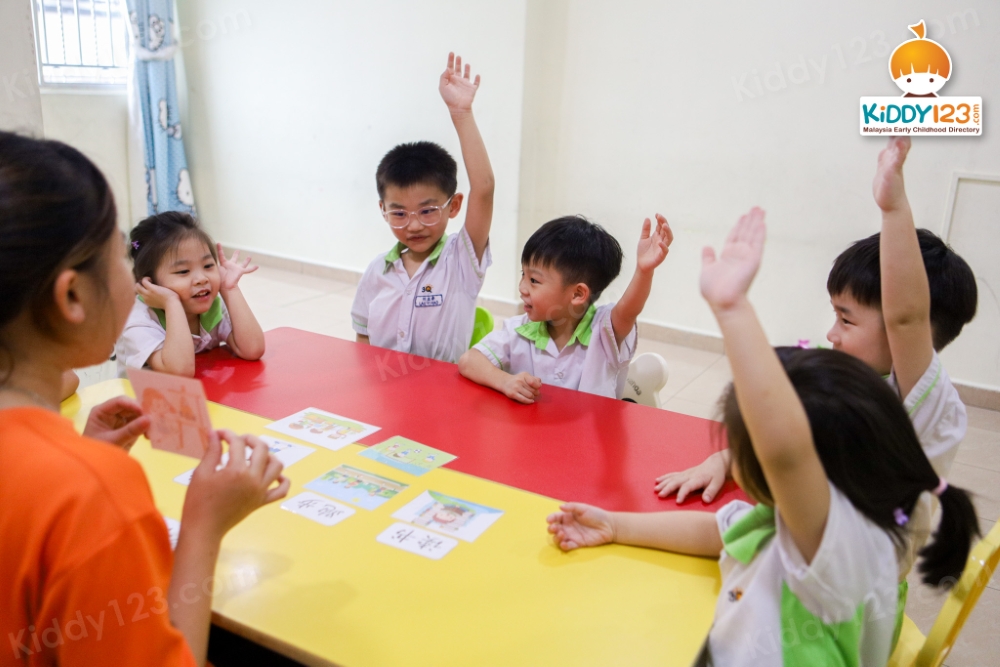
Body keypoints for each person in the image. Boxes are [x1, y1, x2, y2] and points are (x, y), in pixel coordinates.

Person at [548, 208, 980, 666]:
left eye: (846, 320)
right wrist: (615, 525)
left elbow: (906, 321)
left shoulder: (834, 549)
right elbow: (719, 526)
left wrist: (892, 205)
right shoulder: (792, 516)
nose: (831, 334)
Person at [0, 131, 288, 666]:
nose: (133, 287)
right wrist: (205, 522)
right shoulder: (91, 494)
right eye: (116, 260)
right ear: (72, 296)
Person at [351, 53, 495, 363]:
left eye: (427, 211)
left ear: (453, 205)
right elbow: (362, 337)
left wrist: (461, 113)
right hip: (385, 395)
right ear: (383, 209)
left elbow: (484, 189)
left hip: (443, 398)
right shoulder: (378, 271)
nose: (414, 225)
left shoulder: (461, 261)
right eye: (399, 213)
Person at [458, 214, 671, 401]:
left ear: (578, 294)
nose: (522, 287)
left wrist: (644, 271)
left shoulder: (604, 332)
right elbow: (469, 361)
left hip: (588, 442)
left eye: (534, 280)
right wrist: (505, 381)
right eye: (524, 275)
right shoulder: (519, 330)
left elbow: (628, 311)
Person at [116, 211, 264, 378]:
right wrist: (172, 303)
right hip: (137, 400)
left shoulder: (212, 304)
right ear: (149, 282)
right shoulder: (138, 319)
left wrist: (230, 290)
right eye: (183, 271)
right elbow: (180, 372)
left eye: (208, 266)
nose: (201, 279)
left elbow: (253, 349)